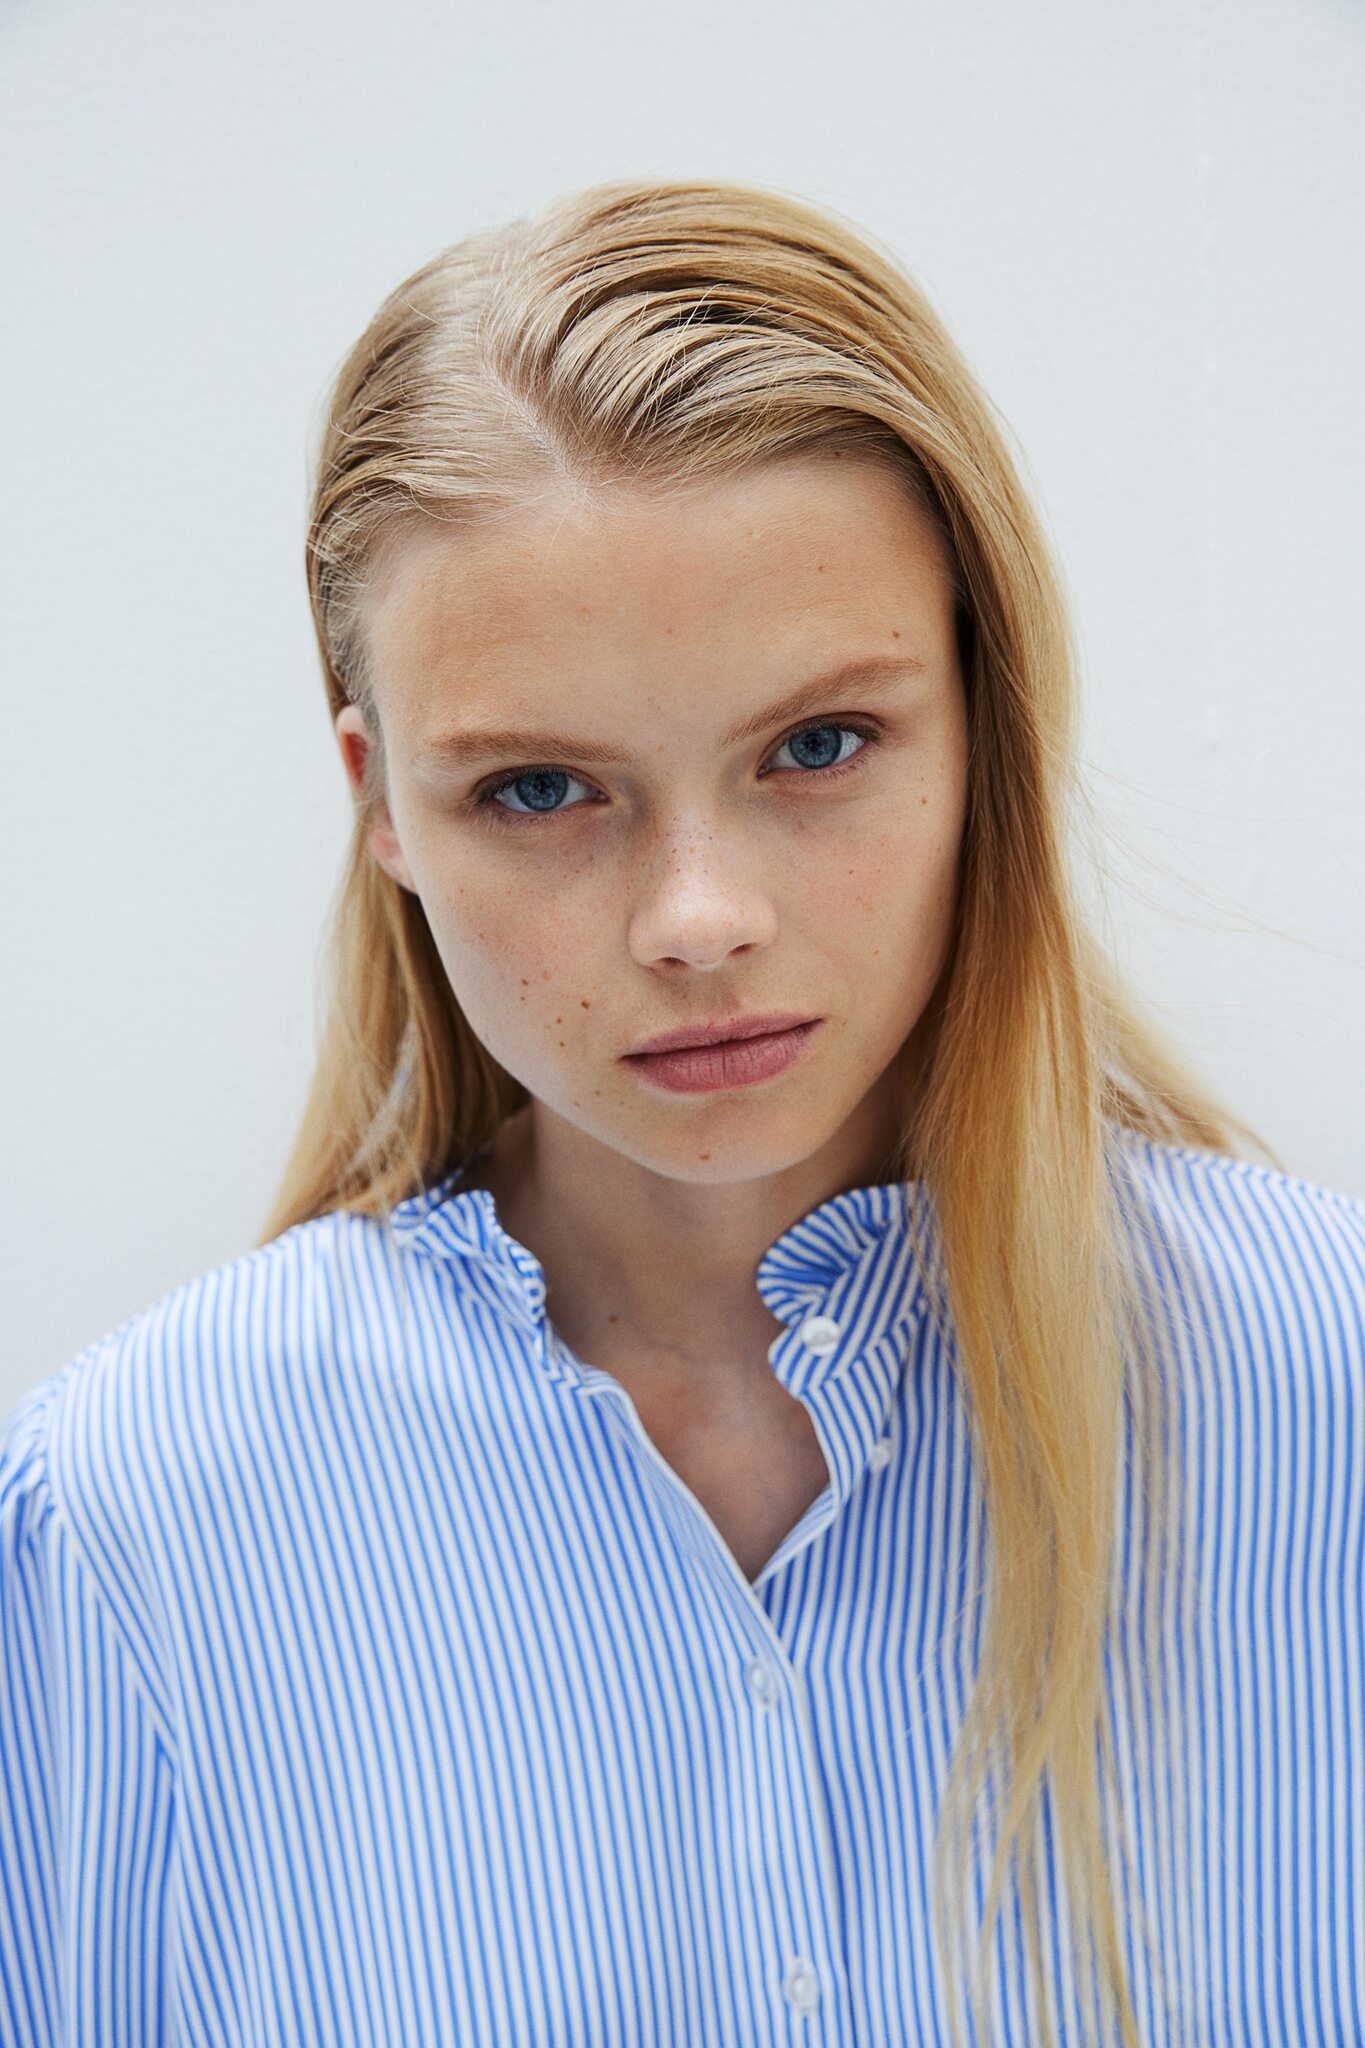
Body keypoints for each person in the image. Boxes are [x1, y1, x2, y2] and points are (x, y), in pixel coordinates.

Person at [2, 178, 1361, 2048]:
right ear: (380, 801)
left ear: (982, 728)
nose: (697, 920)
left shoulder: (1327, 1401)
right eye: (538, 788)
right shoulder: (129, 1516)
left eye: (817, 745)